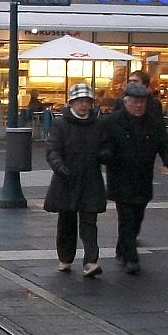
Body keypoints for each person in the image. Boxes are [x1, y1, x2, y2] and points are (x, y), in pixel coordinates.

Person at [103, 81, 168, 275]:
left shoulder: (153, 122)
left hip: (143, 177)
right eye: (135, 102)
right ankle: (130, 257)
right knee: (126, 217)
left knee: (137, 216)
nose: (138, 106)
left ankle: (123, 248)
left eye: (142, 102)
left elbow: (165, 144)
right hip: (121, 177)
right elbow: (102, 145)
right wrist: (106, 156)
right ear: (126, 101)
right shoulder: (112, 122)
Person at [43, 83, 111, 277]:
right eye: (80, 102)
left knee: (90, 221)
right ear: (71, 103)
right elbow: (52, 149)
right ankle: (65, 258)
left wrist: (104, 154)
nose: (84, 106)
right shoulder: (60, 124)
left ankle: (91, 261)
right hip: (67, 179)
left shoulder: (98, 125)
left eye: (87, 102)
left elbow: (106, 146)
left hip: (90, 178)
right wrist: (59, 167)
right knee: (67, 221)